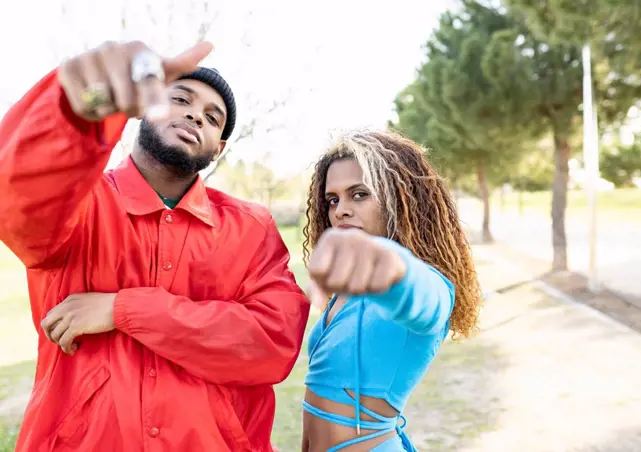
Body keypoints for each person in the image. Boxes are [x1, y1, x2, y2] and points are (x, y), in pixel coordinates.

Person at [0, 40, 310, 452]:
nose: (194, 114)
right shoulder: (79, 200)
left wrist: (121, 309)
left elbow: (271, 342)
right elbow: (18, 197)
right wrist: (70, 113)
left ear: (218, 149)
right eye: (180, 98)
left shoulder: (251, 227)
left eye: (212, 117)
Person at [300, 130, 482, 451]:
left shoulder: (423, 283)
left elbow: (428, 301)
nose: (340, 210)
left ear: (398, 198)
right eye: (333, 199)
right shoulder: (351, 287)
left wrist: (395, 265)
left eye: (359, 194)